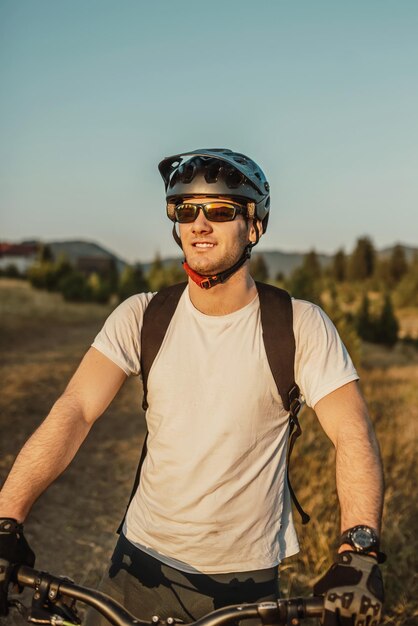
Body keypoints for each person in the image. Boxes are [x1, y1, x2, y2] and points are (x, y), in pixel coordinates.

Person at [0, 149, 385, 626]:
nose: (200, 223)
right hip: (136, 567)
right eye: (187, 210)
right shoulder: (142, 315)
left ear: (255, 227)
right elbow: (75, 409)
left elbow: (352, 433)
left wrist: (359, 549)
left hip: (244, 584)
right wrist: (6, 518)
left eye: (221, 210)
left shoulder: (298, 324)